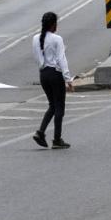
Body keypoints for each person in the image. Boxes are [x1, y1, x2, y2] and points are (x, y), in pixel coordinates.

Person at [32, 11, 72, 150]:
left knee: (52, 105)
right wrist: (68, 78)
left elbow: (37, 58)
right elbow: (61, 59)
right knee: (59, 107)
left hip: (43, 74)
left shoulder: (35, 38)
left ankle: (40, 132)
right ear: (53, 24)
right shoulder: (57, 39)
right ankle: (56, 139)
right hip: (55, 74)